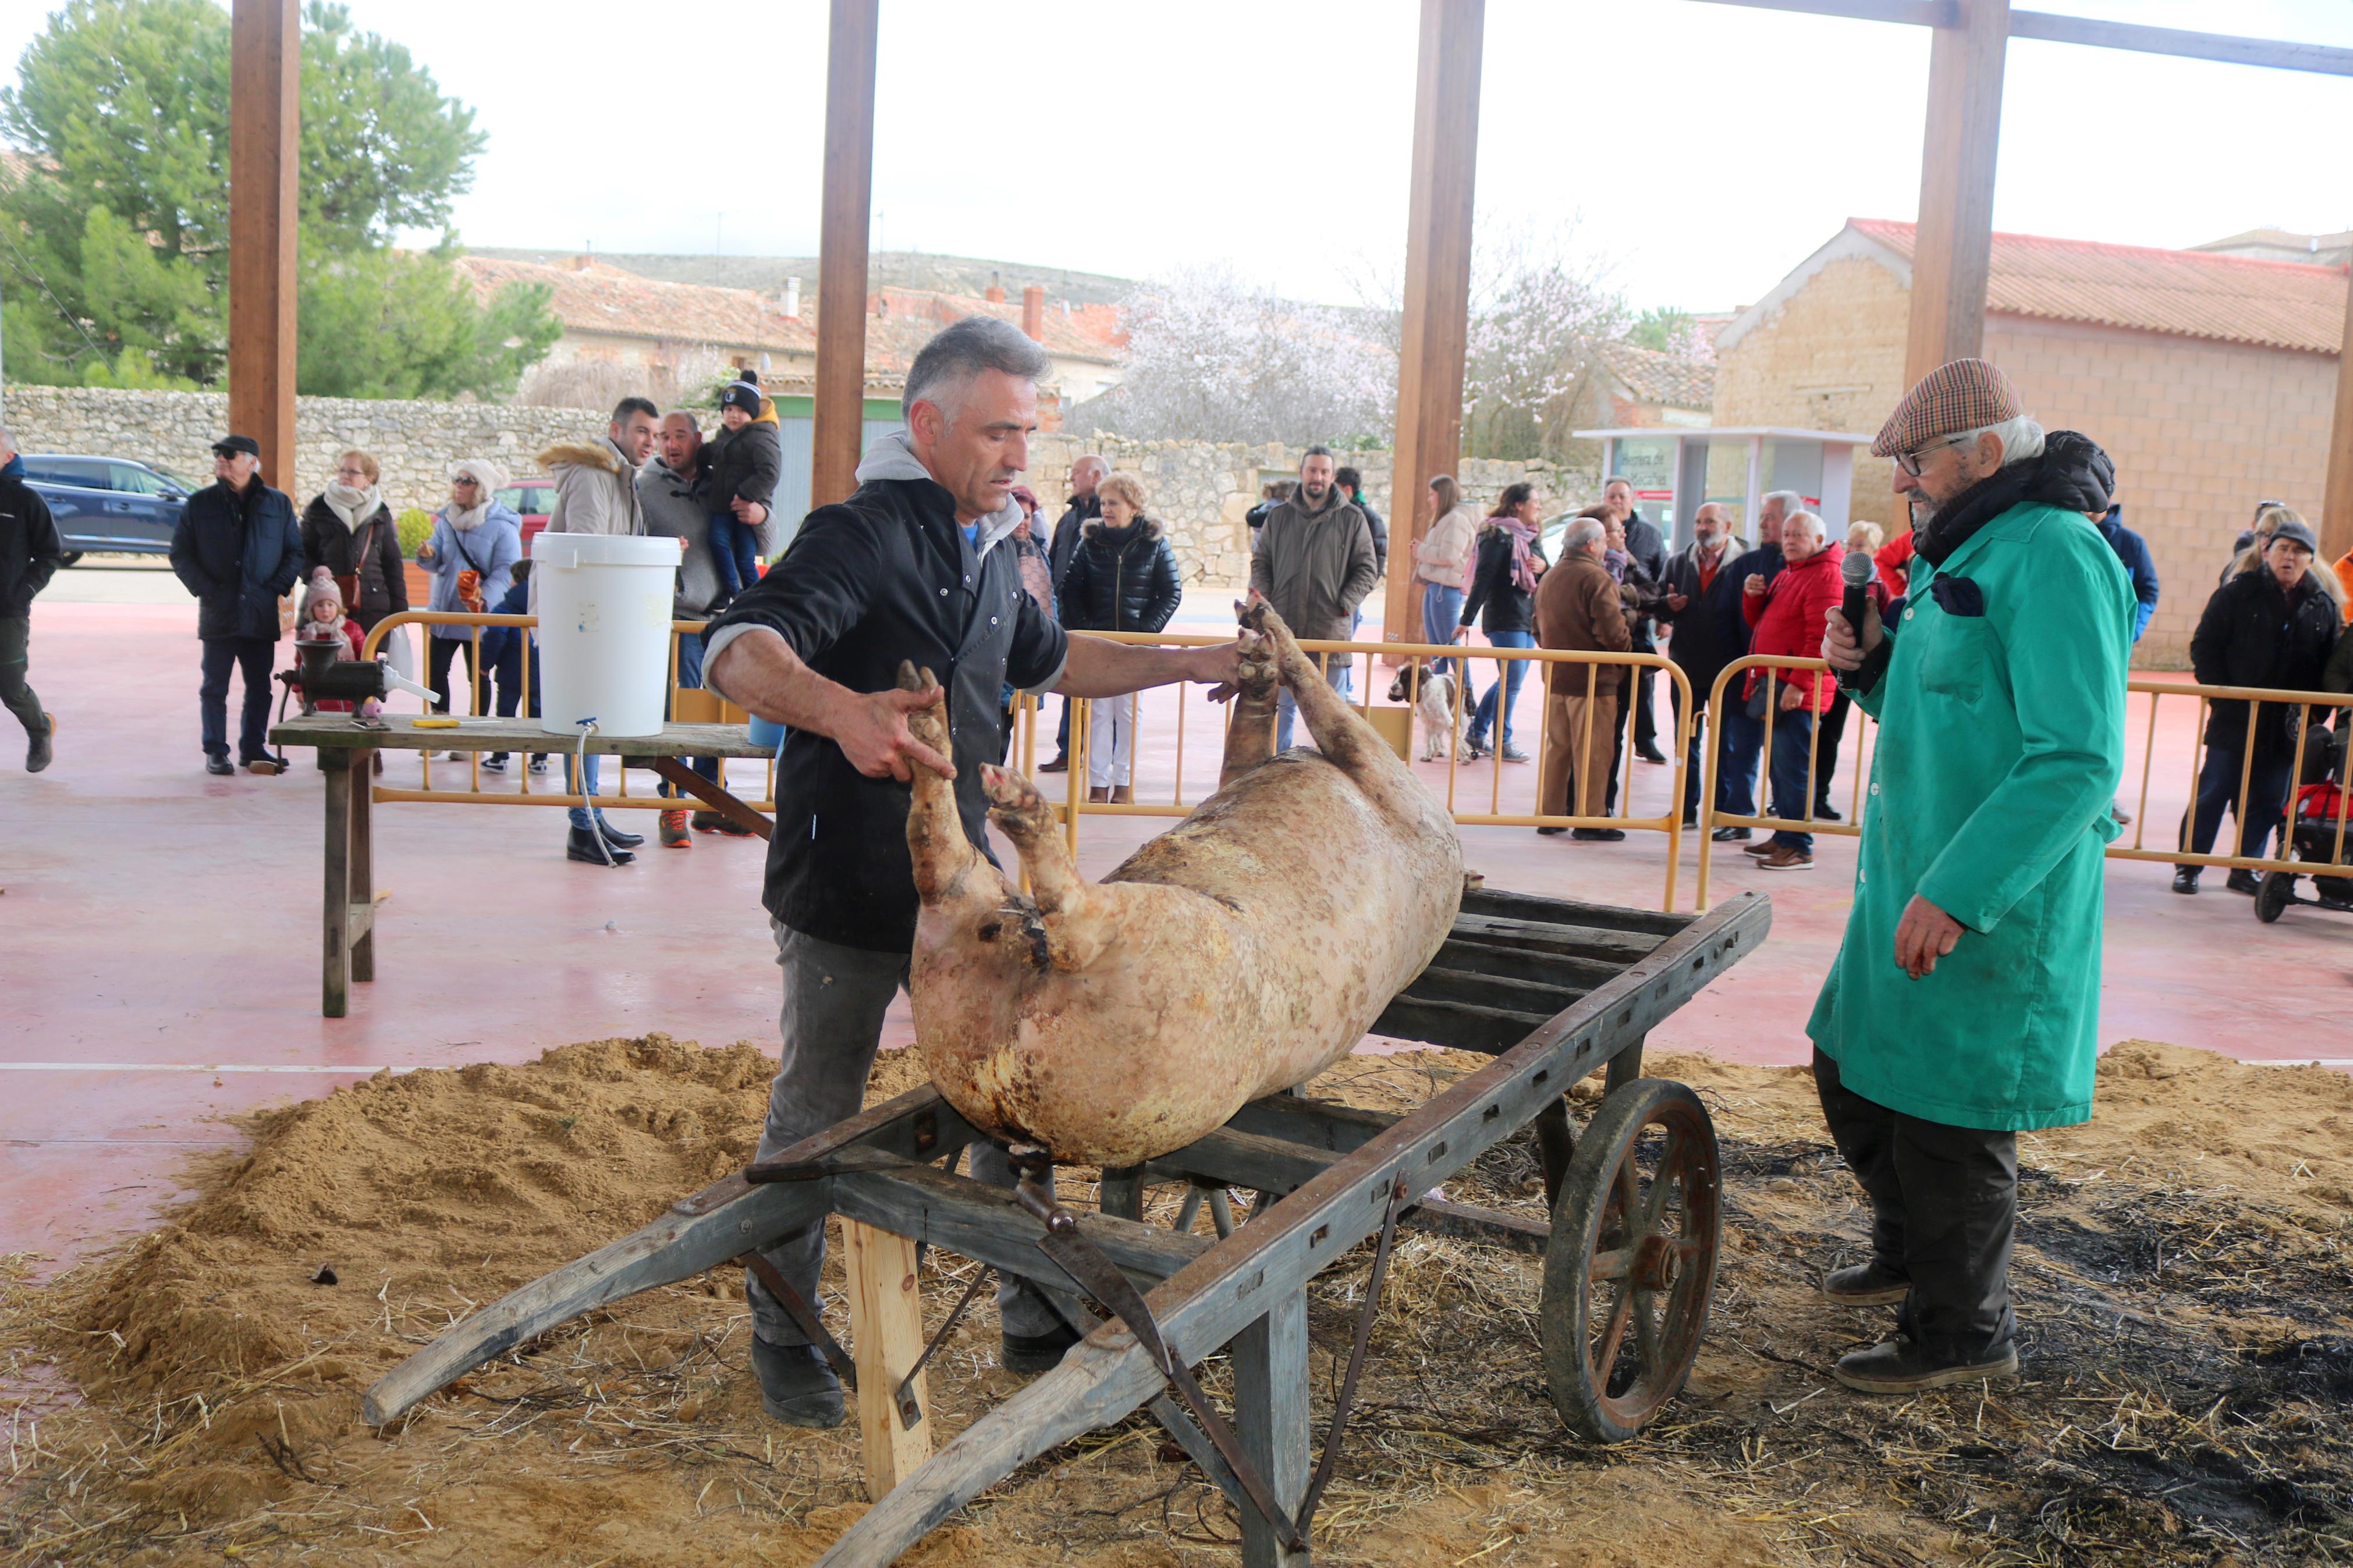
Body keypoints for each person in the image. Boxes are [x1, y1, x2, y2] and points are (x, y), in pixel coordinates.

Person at [698, 315, 1243, 1428]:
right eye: (998, 432)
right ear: (929, 424)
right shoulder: (862, 534)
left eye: (1027, 433)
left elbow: (1056, 657)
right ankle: (785, 1339)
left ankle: (1030, 1313)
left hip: (968, 895)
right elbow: (735, 646)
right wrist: (839, 710)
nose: (1018, 456)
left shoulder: (995, 545)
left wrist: (1191, 658)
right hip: (847, 887)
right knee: (817, 1113)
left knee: (1015, 1097)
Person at [1815, 358, 2130, 1395]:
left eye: (1916, 462)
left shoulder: (2054, 554)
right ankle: (1911, 1253)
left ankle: (1961, 1331)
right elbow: (1943, 705)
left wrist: (1958, 893)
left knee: (1949, 1116)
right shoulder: (1973, 545)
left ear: (1983, 452)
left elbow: (2075, 757)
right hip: (1906, 869)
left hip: (1990, 896)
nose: (1905, 480)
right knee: (1850, 1068)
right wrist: (1866, 673)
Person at [2175, 515, 2343, 894]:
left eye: (2299, 552)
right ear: (2266, 551)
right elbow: (2205, 645)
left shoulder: (2321, 606)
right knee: (2213, 791)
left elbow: (2328, 663)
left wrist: (2314, 714)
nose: (2289, 557)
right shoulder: (2238, 592)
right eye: (2282, 548)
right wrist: (2222, 695)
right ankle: (2189, 865)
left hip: (2285, 724)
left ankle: (2245, 868)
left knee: (2267, 800)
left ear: (2309, 560)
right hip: (2235, 716)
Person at [538, 397, 662, 865]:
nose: (650, 442)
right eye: (642, 432)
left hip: (595, 614)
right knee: (581, 718)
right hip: (580, 613)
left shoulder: (622, 475)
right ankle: (581, 824)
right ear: (617, 429)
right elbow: (590, 549)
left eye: (653, 433)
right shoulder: (596, 474)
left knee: (590, 716)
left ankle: (591, 813)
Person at [641, 409, 765, 844]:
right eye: (663, 437)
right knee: (677, 714)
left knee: (716, 713)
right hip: (674, 621)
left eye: (679, 436)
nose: (670, 445)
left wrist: (760, 514)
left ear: (698, 440)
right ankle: (672, 803)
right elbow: (630, 543)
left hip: (720, 619)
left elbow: (758, 542)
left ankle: (713, 804)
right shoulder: (645, 488)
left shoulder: (722, 484)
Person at [169, 434, 303, 776]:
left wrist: (273, 589)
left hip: (260, 613)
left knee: (261, 688)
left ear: (252, 462)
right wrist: (206, 590)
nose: (222, 460)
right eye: (218, 454)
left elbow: (294, 553)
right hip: (220, 611)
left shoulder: (278, 504)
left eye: (231, 455)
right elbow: (180, 553)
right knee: (215, 687)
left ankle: (253, 748)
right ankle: (215, 750)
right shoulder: (200, 504)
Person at [1057, 471, 1182, 803]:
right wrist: (1088, 629)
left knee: (1129, 714)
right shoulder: (1090, 542)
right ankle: (1098, 785)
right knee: (1098, 713)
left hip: (1136, 648)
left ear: (1134, 505)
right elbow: (1070, 590)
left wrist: (1143, 632)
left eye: (1114, 502)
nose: (1106, 509)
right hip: (1099, 646)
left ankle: (1124, 784)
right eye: (1103, 503)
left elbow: (1170, 593)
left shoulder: (1154, 544)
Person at [1250, 445, 1377, 751]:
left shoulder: (1352, 519)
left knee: (1332, 717)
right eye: (1312, 470)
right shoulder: (1279, 518)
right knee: (1281, 709)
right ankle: (1273, 775)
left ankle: (1335, 784)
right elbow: (1261, 563)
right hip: (1282, 631)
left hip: (1329, 633)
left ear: (1333, 477)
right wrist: (1267, 605)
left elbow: (1367, 569)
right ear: (1301, 473)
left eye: (1324, 472)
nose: (1317, 477)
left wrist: (1345, 603)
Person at [1737, 511, 1844, 870]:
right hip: (1780, 684)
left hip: (1797, 690)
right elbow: (1763, 624)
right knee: (1781, 770)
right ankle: (1784, 836)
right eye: (1786, 534)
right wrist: (1754, 598)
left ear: (1818, 540)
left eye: (1799, 534)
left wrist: (1800, 684)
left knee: (1794, 770)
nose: (1790, 540)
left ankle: (1799, 845)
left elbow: (1822, 637)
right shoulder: (1791, 572)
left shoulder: (1825, 574)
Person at [1534, 516, 1629, 841]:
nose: (1605, 546)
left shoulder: (1550, 577)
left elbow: (1536, 626)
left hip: (1557, 676)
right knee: (1594, 751)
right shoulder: (1596, 577)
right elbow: (1612, 633)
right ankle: (1590, 819)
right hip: (1592, 680)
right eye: (1603, 541)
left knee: (1558, 748)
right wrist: (1624, 657)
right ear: (1592, 545)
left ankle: (1551, 813)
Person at [1652, 502, 1746, 827]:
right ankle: (1686, 810)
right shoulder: (1678, 562)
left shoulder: (1745, 564)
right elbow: (1660, 607)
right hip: (1687, 667)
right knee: (1685, 743)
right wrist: (1667, 607)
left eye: (1710, 521)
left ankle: (1721, 812)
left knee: (1727, 745)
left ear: (1728, 526)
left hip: (1729, 669)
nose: (1702, 527)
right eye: (1697, 521)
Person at [1709, 492, 1794, 841]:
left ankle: (1789, 833)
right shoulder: (1746, 566)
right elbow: (1725, 619)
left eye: (1771, 518)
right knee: (1739, 750)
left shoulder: (1810, 569)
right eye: (1763, 517)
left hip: (1791, 682)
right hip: (1747, 676)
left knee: (1787, 760)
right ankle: (1737, 816)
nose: (1763, 524)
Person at [415, 460, 522, 727]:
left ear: (481, 488)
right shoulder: (446, 520)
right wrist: (427, 554)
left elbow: (506, 570)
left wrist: (483, 597)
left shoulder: (503, 526)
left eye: (466, 481)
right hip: (446, 610)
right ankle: (441, 724)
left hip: (478, 614)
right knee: (435, 672)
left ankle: (474, 732)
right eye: (457, 480)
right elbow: (436, 558)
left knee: (479, 675)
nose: (458, 486)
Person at [1811, 521, 1896, 822]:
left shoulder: (1881, 588)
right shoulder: (1840, 580)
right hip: (1831, 664)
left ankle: (1820, 795)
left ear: (1872, 552)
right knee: (1812, 737)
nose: (1852, 550)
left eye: (1860, 546)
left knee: (1831, 734)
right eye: (1850, 544)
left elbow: (1887, 625)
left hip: (1862, 668)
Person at [1455, 483, 1545, 762]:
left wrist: (1545, 568)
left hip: (1527, 616)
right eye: (1535, 502)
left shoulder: (1531, 535)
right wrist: (1466, 619)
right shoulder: (1496, 536)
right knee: (1512, 679)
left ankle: (1478, 732)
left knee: (1510, 679)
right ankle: (1502, 740)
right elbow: (1483, 578)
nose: (1539, 507)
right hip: (1505, 616)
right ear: (1519, 505)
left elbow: (1545, 571)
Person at [0, 424, 63, 771]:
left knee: (10, 687)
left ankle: (40, 730)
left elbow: (50, 554)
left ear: (9, 457)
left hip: (6, 611)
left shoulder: (25, 501)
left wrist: (22, 592)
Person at [1038, 454, 1106, 773]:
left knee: (1105, 694)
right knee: (1071, 684)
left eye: (1077, 473)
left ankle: (1101, 759)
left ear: (1095, 476)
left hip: (1099, 620)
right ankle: (1068, 750)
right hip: (1069, 617)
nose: (1072, 479)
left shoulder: (1109, 516)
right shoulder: (1068, 519)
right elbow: (1055, 564)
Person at [1602, 477, 1670, 763]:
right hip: (1606, 629)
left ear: (1633, 500)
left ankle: (1645, 740)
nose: (1617, 501)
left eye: (1622, 496)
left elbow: (1661, 579)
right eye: (1612, 496)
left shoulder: (1651, 535)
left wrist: (1663, 616)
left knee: (1643, 687)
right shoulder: (1594, 532)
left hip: (1639, 624)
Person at [706, 373, 782, 603]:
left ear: (752, 413)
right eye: (729, 410)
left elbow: (770, 472)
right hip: (722, 506)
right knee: (717, 541)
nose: (734, 415)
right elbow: (710, 455)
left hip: (747, 510)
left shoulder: (761, 437)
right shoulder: (724, 437)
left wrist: (746, 495)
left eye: (740, 410)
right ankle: (731, 588)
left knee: (745, 557)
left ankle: (757, 600)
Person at [475, 560, 548, 777]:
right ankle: (540, 760)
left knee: (506, 715)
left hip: (511, 670)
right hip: (541, 670)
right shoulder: (548, 601)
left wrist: (485, 664)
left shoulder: (506, 606)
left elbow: (496, 635)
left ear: (516, 580)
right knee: (538, 714)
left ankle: (500, 758)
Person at [1412, 475, 1478, 681]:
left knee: (1448, 646)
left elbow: (1449, 556)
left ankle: (1466, 692)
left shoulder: (1455, 519)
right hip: (1437, 586)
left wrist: (1420, 549)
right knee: (1438, 647)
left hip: (1446, 588)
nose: (1429, 500)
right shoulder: (1448, 519)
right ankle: (1437, 690)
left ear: (1442, 496)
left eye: (1432, 495)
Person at [1334, 465, 1389, 581]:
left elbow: (1378, 556)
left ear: (1347, 490)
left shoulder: (1370, 518)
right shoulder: (1333, 514)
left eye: (1336, 489)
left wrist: (1362, 586)